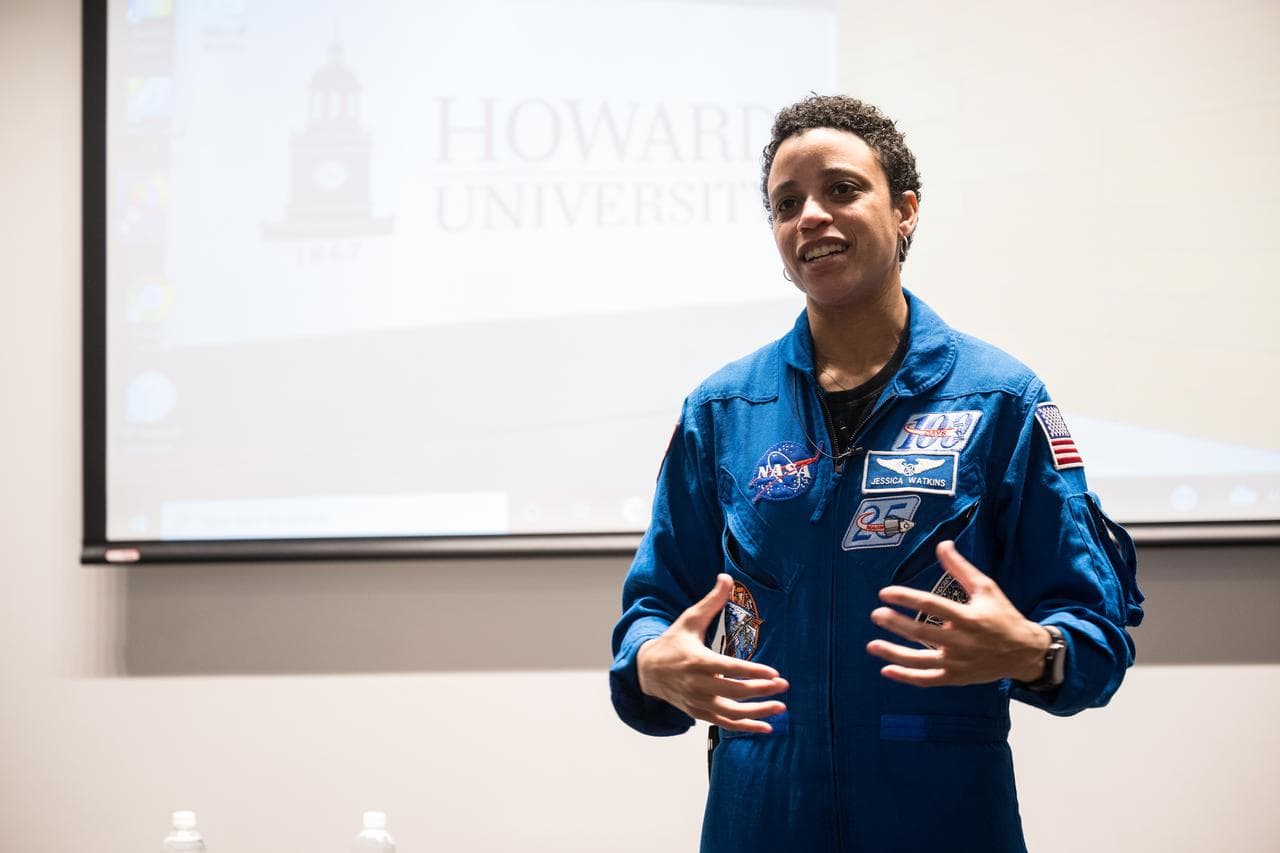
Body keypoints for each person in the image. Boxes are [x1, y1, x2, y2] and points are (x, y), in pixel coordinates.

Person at [609, 95, 1144, 853]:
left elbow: (1094, 630)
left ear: (906, 212)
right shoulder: (725, 408)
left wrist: (1034, 651)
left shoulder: (1000, 399)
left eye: (841, 189)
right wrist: (652, 662)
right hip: (761, 814)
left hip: (942, 817)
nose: (811, 217)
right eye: (786, 203)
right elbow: (655, 608)